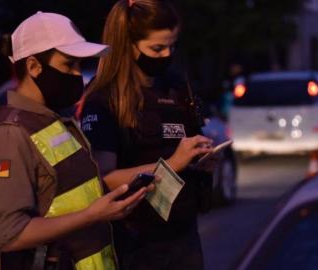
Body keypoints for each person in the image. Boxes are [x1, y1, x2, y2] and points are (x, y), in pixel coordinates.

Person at [0, 11, 149, 270]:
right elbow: (8, 235)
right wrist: (92, 215)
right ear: (33, 67)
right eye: (69, 65)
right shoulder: (8, 135)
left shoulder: (54, 121)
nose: (78, 75)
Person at [80, 1, 214, 269]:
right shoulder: (104, 100)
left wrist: (202, 162)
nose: (166, 54)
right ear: (127, 44)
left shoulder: (175, 88)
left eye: (172, 46)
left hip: (184, 236)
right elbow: (105, 179)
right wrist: (173, 164)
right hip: (136, 242)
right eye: (157, 48)